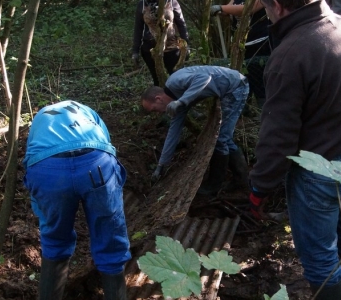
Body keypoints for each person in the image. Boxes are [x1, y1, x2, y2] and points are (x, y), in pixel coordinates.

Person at [248, 0, 341, 299]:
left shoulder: (291, 52)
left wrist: (259, 189)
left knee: (320, 261)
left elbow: (279, 136)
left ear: (277, 5)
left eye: (265, 6)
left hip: (319, 172)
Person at [23, 100, 130, 300]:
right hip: (96, 164)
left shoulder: (40, 118)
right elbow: (107, 147)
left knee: (55, 239)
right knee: (110, 239)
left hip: (48, 171)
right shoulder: (88, 112)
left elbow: (31, 156)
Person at [141, 65, 249, 195]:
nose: (157, 113)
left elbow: (204, 78)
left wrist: (181, 101)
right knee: (224, 138)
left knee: (221, 139)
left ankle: (214, 186)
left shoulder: (174, 82)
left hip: (236, 86)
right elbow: (173, 133)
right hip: (230, 89)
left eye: (154, 109)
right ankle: (241, 179)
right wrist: (161, 165)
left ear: (158, 99)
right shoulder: (176, 105)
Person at [210, 0, 272, 108]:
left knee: (260, 79)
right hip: (241, 45)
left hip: (259, 42)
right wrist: (222, 10)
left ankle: (264, 110)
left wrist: (222, 8)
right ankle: (245, 110)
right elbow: (227, 9)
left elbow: (248, 9)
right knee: (243, 78)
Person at [132, 0, 190, 86]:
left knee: (178, 79)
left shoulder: (171, 2)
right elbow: (138, 28)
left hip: (171, 48)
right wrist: (135, 51)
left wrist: (186, 46)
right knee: (158, 81)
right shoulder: (143, 4)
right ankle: (162, 97)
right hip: (151, 50)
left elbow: (182, 25)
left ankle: (181, 98)